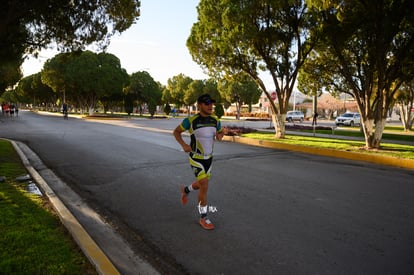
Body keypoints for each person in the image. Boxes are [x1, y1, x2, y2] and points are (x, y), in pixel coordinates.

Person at [173, 94, 224, 230]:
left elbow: (219, 135)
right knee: (205, 185)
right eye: (207, 103)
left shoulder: (215, 120)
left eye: (212, 104)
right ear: (200, 105)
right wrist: (184, 145)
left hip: (209, 158)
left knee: (202, 183)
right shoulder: (191, 120)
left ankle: (186, 190)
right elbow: (176, 132)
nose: (210, 106)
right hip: (196, 158)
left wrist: (221, 134)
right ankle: (204, 217)